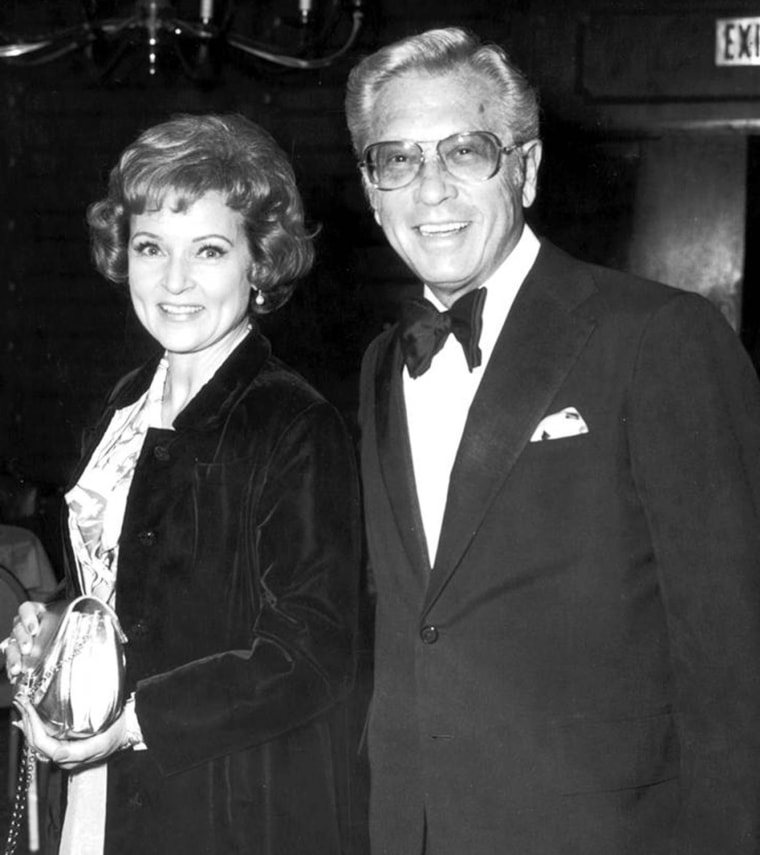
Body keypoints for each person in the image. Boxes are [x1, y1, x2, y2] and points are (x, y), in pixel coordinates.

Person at [345, 26, 760, 855]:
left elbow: (736, 660)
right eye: (397, 159)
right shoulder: (380, 368)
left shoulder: (660, 338)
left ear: (527, 169)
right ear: (370, 186)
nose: (431, 191)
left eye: (466, 151)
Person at [5, 113, 362, 855]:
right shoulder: (121, 405)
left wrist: (134, 722)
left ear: (258, 264)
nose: (173, 282)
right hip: (98, 789)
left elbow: (314, 651)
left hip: (224, 803)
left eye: (207, 250)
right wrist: (48, 624)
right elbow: (124, 587)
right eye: (150, 247)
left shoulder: (294, 421)